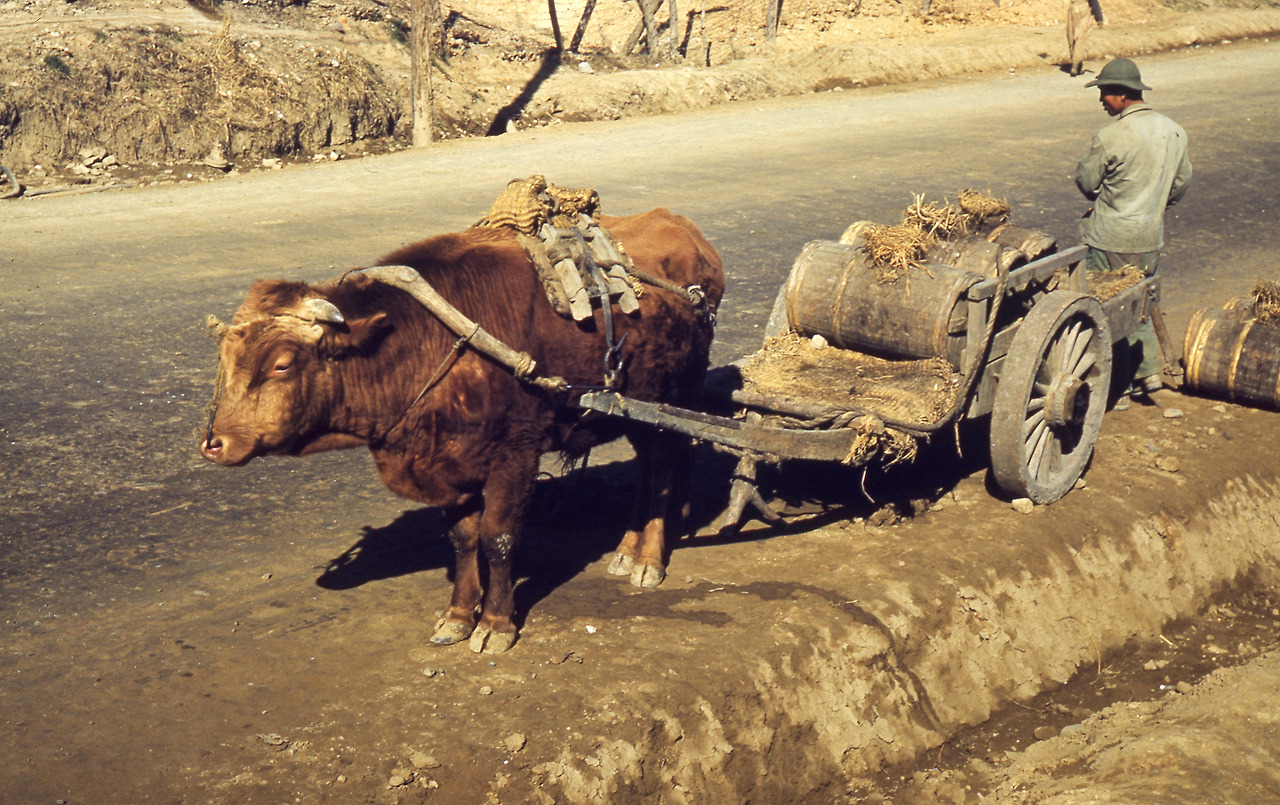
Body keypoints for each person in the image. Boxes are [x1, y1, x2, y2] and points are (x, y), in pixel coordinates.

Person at [1075, 57, 1191, 405]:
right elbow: (1181, 183)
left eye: (1103, 94)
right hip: (1149, 237)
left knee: (1108, 311)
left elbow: (1086, 181)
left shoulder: (1111, 136)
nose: (1100, 101)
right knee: (1140, 301)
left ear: (1121, 95)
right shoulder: (1174, 130)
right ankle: (1150, 372)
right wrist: (1153, 207)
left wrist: (1112, 201)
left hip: (1110, 238)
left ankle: (1119, 388)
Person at [1066, 0, 1106, 77]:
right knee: (1081, 37)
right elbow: (1094, 3)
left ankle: (1076, 63)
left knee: (1072, 35)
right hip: (1083, 9)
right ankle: (1076, 64)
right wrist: (1099, 19)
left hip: (1073, 8)